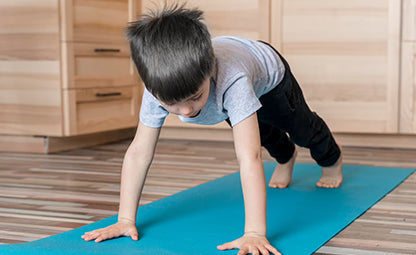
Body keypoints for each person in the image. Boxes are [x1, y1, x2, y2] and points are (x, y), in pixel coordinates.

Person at [81, 4, 343, 255]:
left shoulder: (233, 80)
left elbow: (248, 158)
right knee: (263, 134)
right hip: (233, 84)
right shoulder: (157, 88)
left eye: (195, 97)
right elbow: (139, 152)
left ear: (210, 69)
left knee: (300, 129)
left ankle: (331, 158)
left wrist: (254, 232)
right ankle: (286, 158)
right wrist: (125, 219)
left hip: (271, 77)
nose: (186, 111)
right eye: (172, 104)